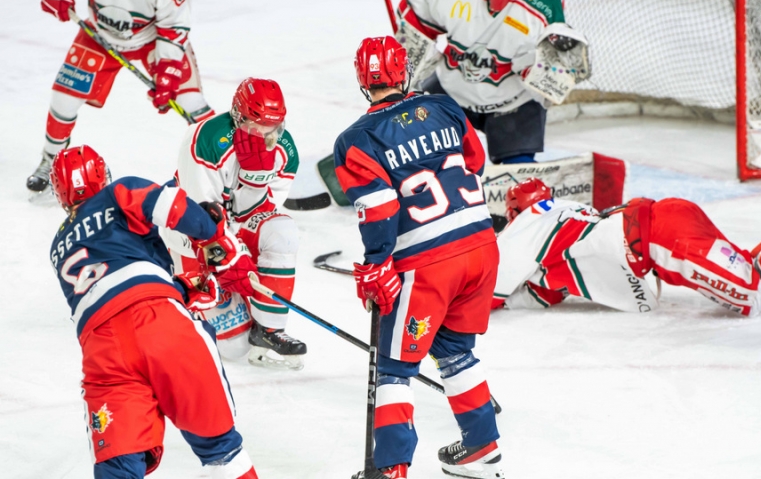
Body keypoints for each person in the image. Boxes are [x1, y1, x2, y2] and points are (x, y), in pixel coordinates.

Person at [335, 36, 504, 479]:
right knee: (453, 348)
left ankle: (390, 470)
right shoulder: (446, 107)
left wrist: (376, 263)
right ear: (403, 72)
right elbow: (476, 160)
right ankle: (482, 448)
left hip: (429, 263)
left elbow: (380, 207)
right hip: (482, 246)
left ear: (361, 79)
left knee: (393, 367)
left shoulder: (356, 138)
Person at [49, 145, 259, 479]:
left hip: (102, 354)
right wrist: (214, 231)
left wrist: (179, 290)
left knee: (119, 466)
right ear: (103, 175)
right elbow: (174, 208)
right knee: (221, 449)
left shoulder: (58, 247)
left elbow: (110, 293)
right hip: (158, 324)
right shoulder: (117, 192)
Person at [28, 0, 215, 194]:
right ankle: (50, 161)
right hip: (99, 35)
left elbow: (174, 27)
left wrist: (168, 71)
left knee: (191, 102)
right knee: (63, 99)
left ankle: (222, 163)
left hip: (153, 39)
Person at [493, 178, 761, 317]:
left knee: (752, 296)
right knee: (747, 267)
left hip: (664, 241)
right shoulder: (566, 211)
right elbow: (551, 287)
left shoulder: (525, 226)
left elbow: (491, 289)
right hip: (671, 214)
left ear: (515, 212)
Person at [395, 0, 589, 165]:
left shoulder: (544, 6)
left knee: (518, 168)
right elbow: (416, 9)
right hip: (452, 92)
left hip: (511, 102)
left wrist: (548, 72)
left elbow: (549, 62)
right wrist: (414, 48)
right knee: (419, 154)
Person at [171, 77, 307, 370]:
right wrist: (231, 258)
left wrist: (253, 180)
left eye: (272, 128)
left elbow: (262, 213)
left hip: (236, 233)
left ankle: (269, 329)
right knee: (234, 348)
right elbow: (199, 219)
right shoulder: (205, 139)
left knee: (282, 231)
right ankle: (166, 266)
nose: (264, 136)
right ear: (237, 116)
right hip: (190, 237)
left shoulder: (285, 149)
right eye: (255, 126)